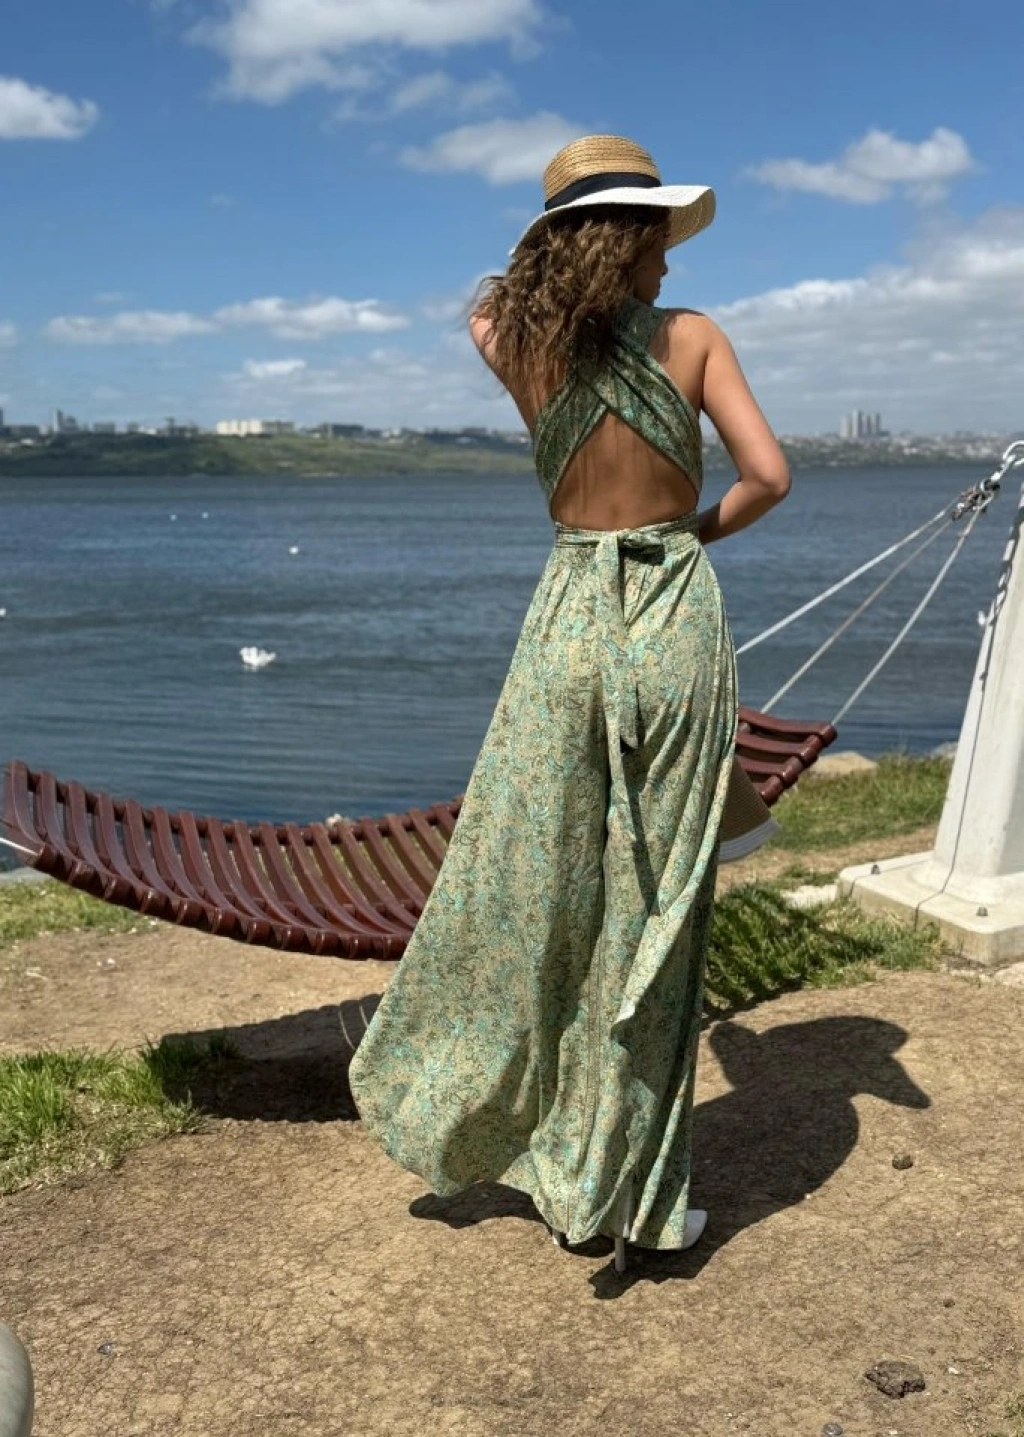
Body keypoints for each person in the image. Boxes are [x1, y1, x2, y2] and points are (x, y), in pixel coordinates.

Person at [348, 134, 791, 1272]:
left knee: (543, 889)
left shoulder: (511, 338)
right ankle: (632, 1194)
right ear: (628, 236)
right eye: (654, 237)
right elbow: (769, 477)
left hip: (566, 624)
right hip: (670, 613)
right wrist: (684, 535)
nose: (667, 260)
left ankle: (535, 1148)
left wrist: (552, 263)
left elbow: (491, 304)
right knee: (657, 910)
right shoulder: (694, 336)